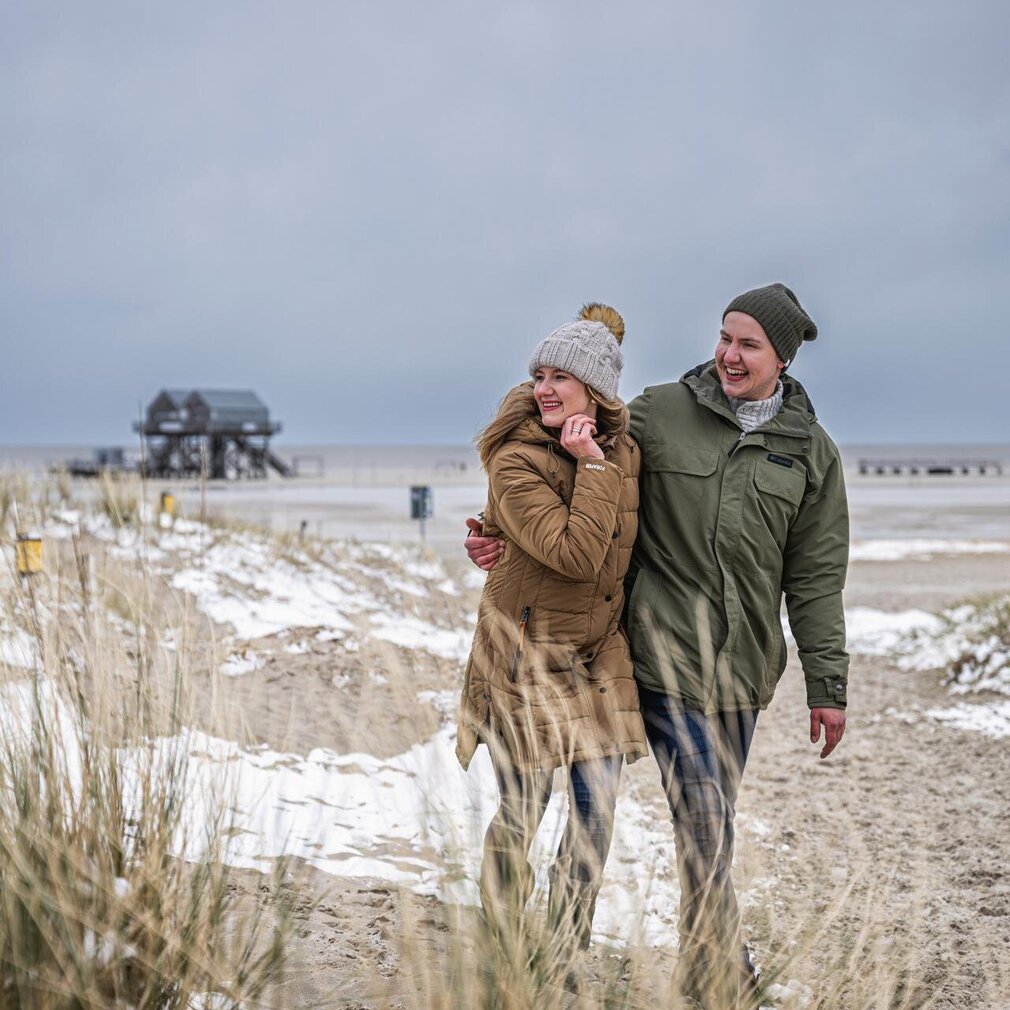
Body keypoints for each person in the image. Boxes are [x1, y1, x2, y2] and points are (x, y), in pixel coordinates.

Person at [465, 283, 849, 1008]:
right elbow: (564, 445)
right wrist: (497, 533)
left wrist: (828, 686)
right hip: (653, 653)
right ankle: (711, 980)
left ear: (781, 359)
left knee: (710, 827)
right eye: (725, 337)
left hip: (741, 671)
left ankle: (708, 968)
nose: (729, 355)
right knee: (695, 815)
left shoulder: (809, 452)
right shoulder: (661, 414)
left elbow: (818, 577)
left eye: (749, 345)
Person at [455, 304, 649, 972]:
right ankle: (504, 945)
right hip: (525, 660)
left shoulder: (627, 449)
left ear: (594, 389)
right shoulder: (517, 460)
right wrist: (591, 466)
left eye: (560, 375)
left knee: (594, 817)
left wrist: (490, 530)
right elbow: (573, 553)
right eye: (538, 373)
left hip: (600, 657)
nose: (543, 386)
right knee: (522, 811)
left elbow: (632, 543)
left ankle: (565, 950)